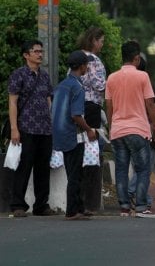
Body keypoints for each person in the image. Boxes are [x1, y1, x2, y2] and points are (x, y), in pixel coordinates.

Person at [105, 41, 155, 218]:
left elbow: (109, 106)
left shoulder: (112, 78)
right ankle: (142, 206)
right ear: (136, 58)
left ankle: (124, 207)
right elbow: (150, 103)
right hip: (137, 130)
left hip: (118, 131)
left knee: (121, 170)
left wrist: (111, 127)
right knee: (143, 169)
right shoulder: (143, 77)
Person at [7, 40, 57, 217]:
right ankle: (17, 205)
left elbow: (49, 99)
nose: (40, 54)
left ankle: (41, 205)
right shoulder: (18, 74)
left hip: (45, 129)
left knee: (43, 168)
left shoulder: (44, 76)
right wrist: (14, 128)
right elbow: (12, 102)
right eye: (36, 51)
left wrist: (51, 121)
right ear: (26, 55)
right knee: (24, 166)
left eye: (41, 51)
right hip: (26, 127)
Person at [52, 51, 97, 220]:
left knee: (73, 172)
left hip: (60, 133)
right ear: (82, 66)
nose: (88, 67)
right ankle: (72, 211)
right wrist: (89, 130)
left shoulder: (62, 85)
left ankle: (79, 206)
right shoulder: (77, 87)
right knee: (75, 175)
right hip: (73, 135)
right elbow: (76, 115)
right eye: (87, 64)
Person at [127, 53, 155, 212]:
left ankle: (144, 198)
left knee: (137, 165)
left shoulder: (122, 80)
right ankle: (131, 191)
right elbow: (153, 103)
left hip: (127, 127)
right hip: (144, 127)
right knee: (146, 167)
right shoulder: (148, 82)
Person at [77, 26, 106, 215]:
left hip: (77, 108)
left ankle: (78, 200)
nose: (102, 45)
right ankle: (90, 202)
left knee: (78, 153)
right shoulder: (93, 59)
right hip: (92, 108)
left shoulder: (77, 56)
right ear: (94, 40)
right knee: (92, 153)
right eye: (101, 41)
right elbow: (98, 84)